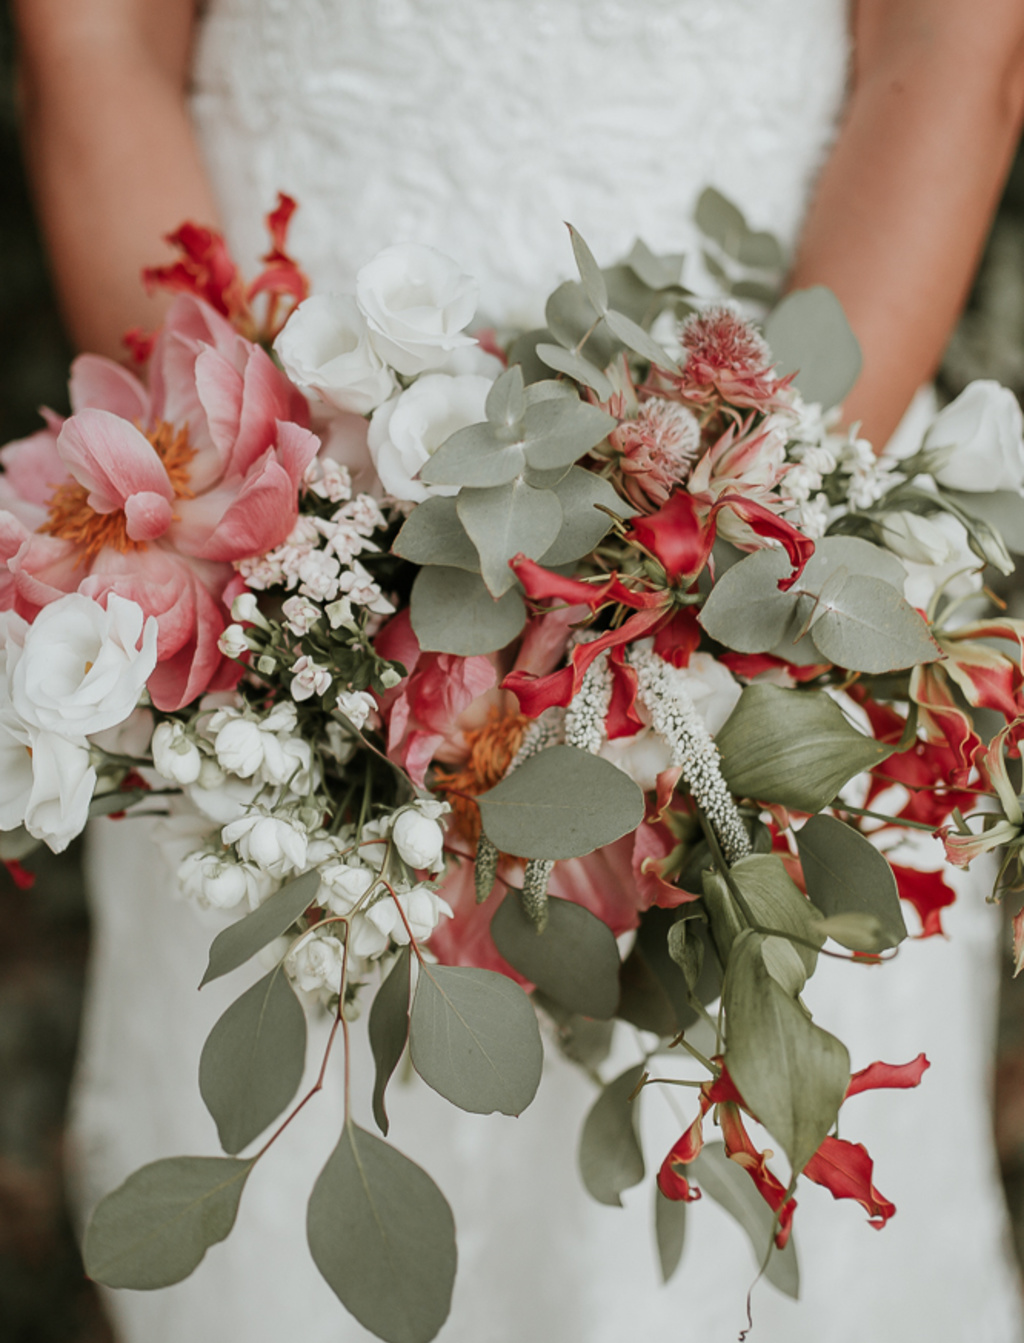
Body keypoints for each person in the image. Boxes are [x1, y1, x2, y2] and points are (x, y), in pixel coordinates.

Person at [11, 1, 1024, 1339]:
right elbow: (94, 44)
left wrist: (719, 575)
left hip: (783, 441)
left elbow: (950, 44)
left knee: (731, 1074)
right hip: (269, 468)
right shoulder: (269, 592)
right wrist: (250, 553)